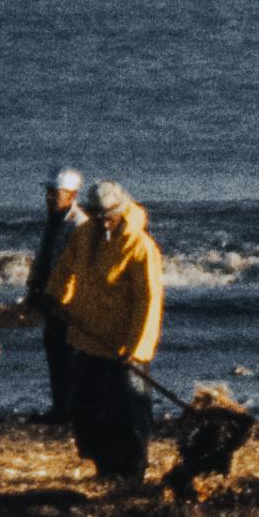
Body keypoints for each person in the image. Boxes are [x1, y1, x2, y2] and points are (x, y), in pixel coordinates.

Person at [50, 181, 165, 488]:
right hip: (89, 338)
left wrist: (136, 348)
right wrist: (56, 296)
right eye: (97, 214)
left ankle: (132, 473)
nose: (103, 220)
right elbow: (65, 268)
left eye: (108, 214)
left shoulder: (140, 246)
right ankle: (104, 466)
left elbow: (149, 300)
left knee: (128, 412)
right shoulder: (85, 234)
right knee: (84, 408)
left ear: (121, 209)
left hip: (124, 345)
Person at [28, 167, 91, 422]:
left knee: (69, 356)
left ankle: (71, 410)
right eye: (48, 193)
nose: (49, 198)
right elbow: (44, 258)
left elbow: (77, 268)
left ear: (72, 195)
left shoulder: (79, 224)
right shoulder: (55, 219)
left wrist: (60, 298)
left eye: (55, 194)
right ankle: (60, 408)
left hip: (67, 302)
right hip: (49, 297)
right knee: (55, 353)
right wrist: (33, 286)